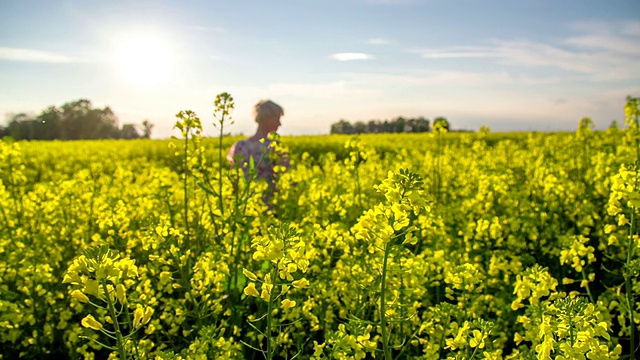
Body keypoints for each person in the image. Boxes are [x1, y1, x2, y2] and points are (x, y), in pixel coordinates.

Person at [227, 100, 290, 192]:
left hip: (246, 202)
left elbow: (233, 181)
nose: (280, 124)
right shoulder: (275, 146)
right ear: (266, 119)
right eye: (277, 119)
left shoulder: (240, 146)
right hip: (267, 202)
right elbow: (286, 175)